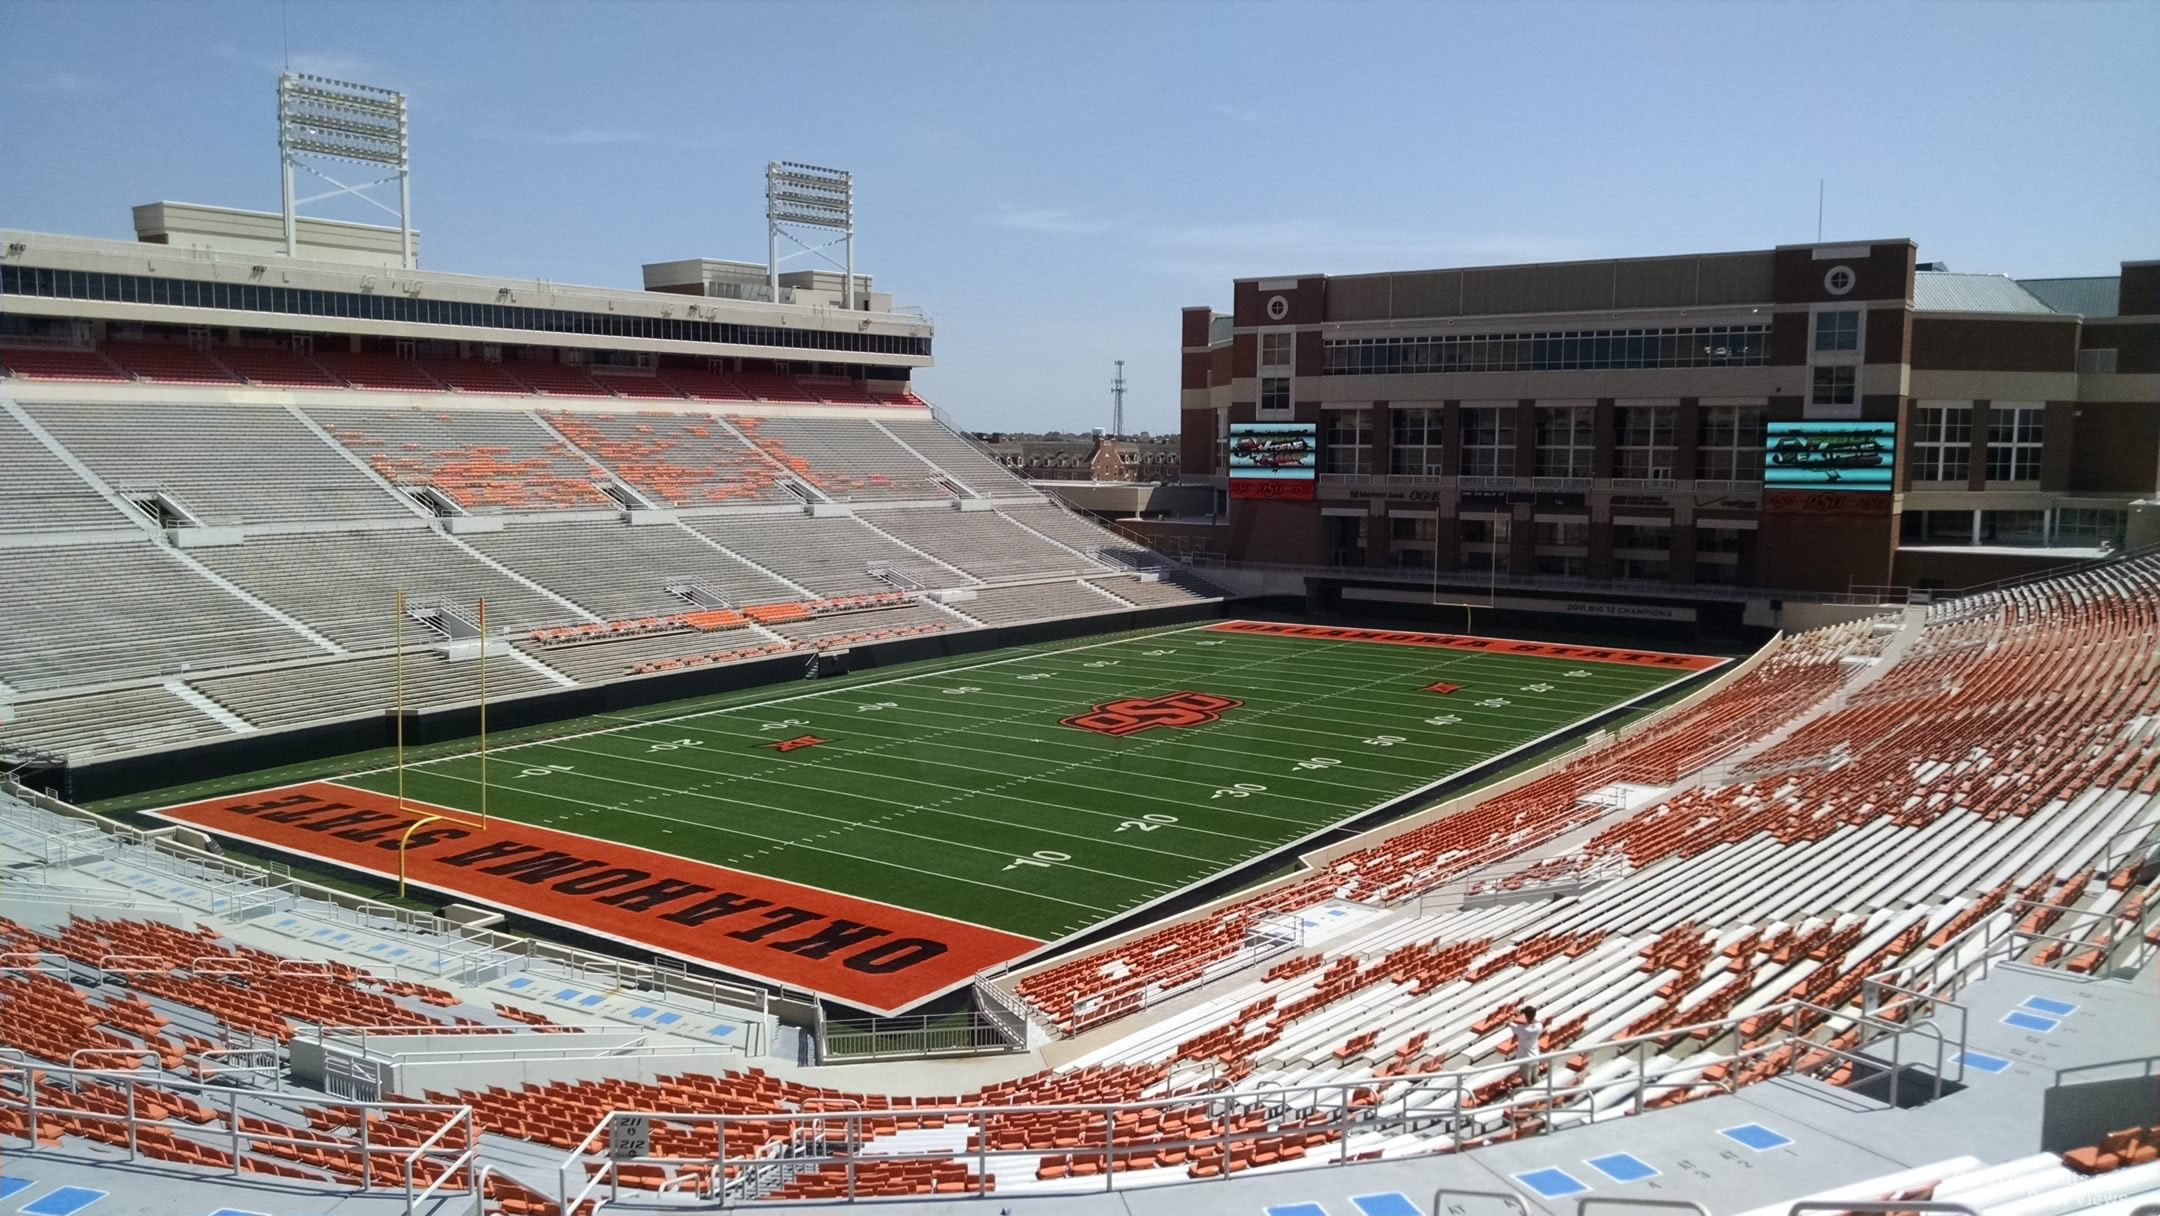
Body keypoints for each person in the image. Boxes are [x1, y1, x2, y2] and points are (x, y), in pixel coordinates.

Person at [1512, 1005, 1544, 1084]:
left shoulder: (1523, 1029)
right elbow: (1534, 1020)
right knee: (1534, 1077)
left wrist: (1516, 1015)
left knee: (1527, 1081)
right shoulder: (1539, 1026)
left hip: (1525, 1057)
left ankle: (1531, 1094)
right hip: (1535, 1054)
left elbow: (1509, 1023)